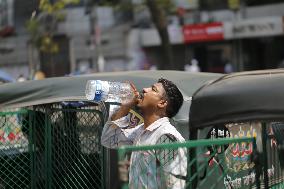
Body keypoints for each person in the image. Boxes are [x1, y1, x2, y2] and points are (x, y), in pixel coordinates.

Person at [101, 78, 187, 189]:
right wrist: (125, 106)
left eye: (153, 89)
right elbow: (108, 139)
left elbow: (176, 185)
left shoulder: (166, 136)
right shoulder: (140, 131)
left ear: (162, 103)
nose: (145, 90)